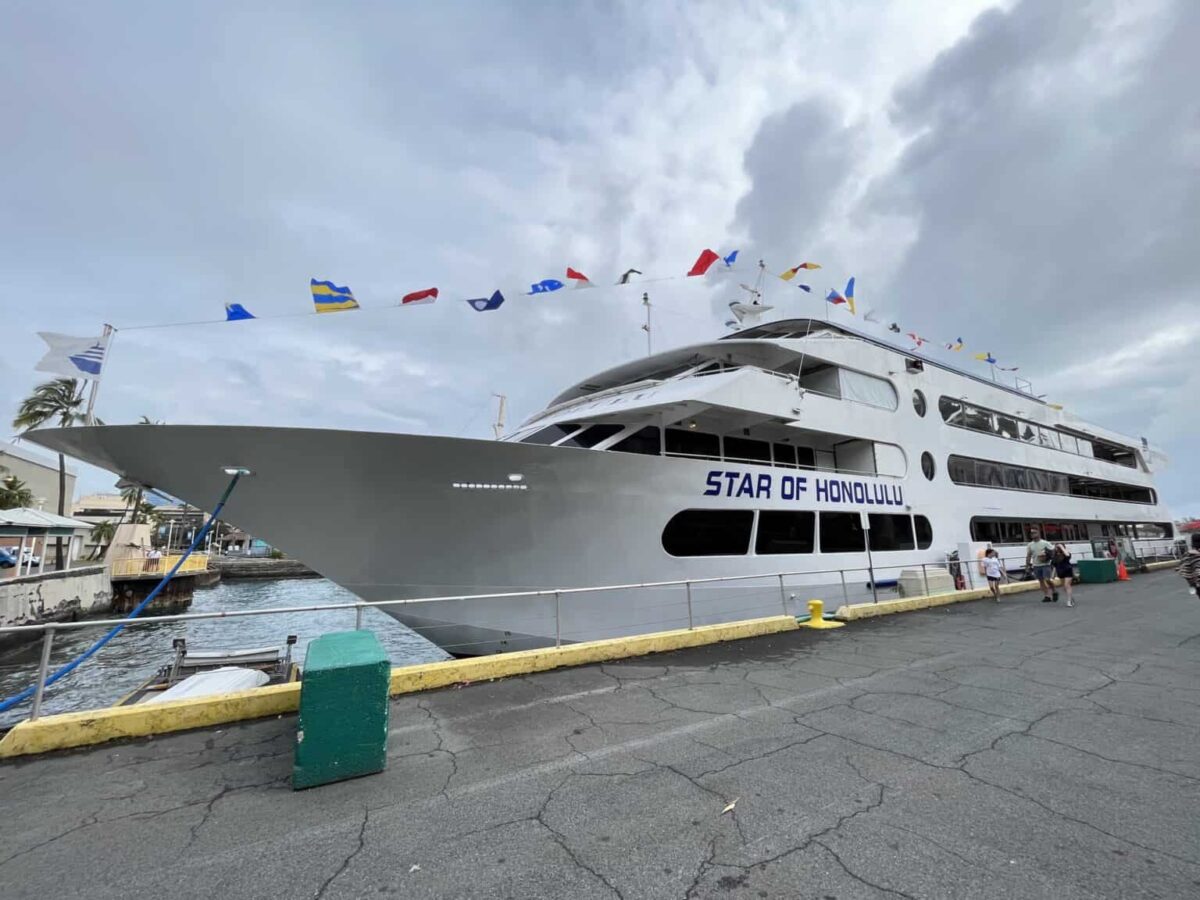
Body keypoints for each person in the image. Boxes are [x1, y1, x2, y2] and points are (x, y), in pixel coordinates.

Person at [1025, 526, 1056, 602]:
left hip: (1046, 564)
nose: (1032, 534)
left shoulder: (1045, 543)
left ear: (1038, 533)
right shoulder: (1030, 545)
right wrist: (1027, 565)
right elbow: (1028, 555)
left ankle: (1054, 591)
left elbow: (1053, 551)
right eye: (1031, 533)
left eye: (1034, 532)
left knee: (1047, 579)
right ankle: (1047, 596)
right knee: (1041, 581)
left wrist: (1048, 557)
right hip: (1036, 565)